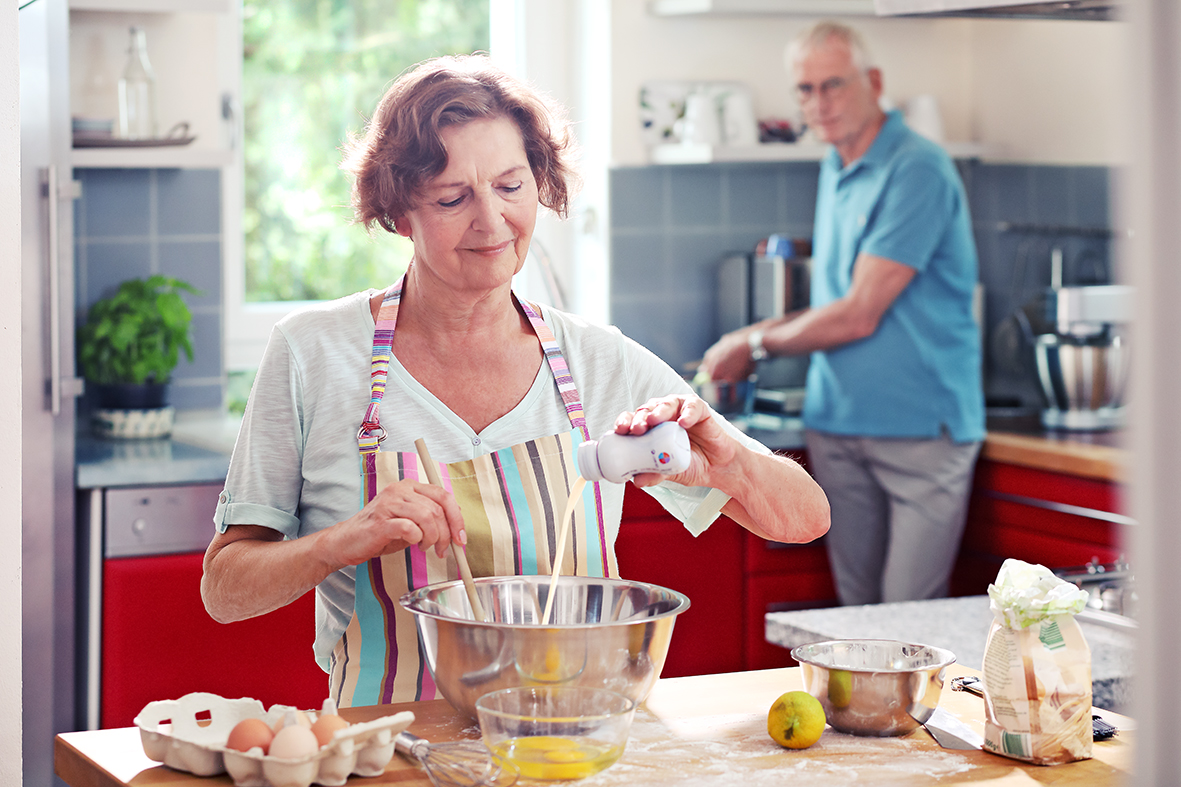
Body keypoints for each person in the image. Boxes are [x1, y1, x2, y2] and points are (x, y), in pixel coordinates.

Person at [201, 54, 830, 707]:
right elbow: (223, 589)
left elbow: (805, 517)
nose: (492, 221)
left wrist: (727, 466)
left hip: (578, 749)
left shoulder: (597, 360)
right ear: (398, 213)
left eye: (510, 186)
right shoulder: (313, 354)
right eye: (452, 198)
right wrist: (340, 540)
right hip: (388, 755)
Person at [701, 22, 984, 607]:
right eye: (804, 90)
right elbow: (838, 299)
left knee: (908, 622)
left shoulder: (917, 168)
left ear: (873, 82)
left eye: (833, 84)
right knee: (856, 621)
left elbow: (858, 315)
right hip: (839, 424)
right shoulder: (836, 162)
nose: (818, 103)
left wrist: (755, 343)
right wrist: (754, 337)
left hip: (920, 432)